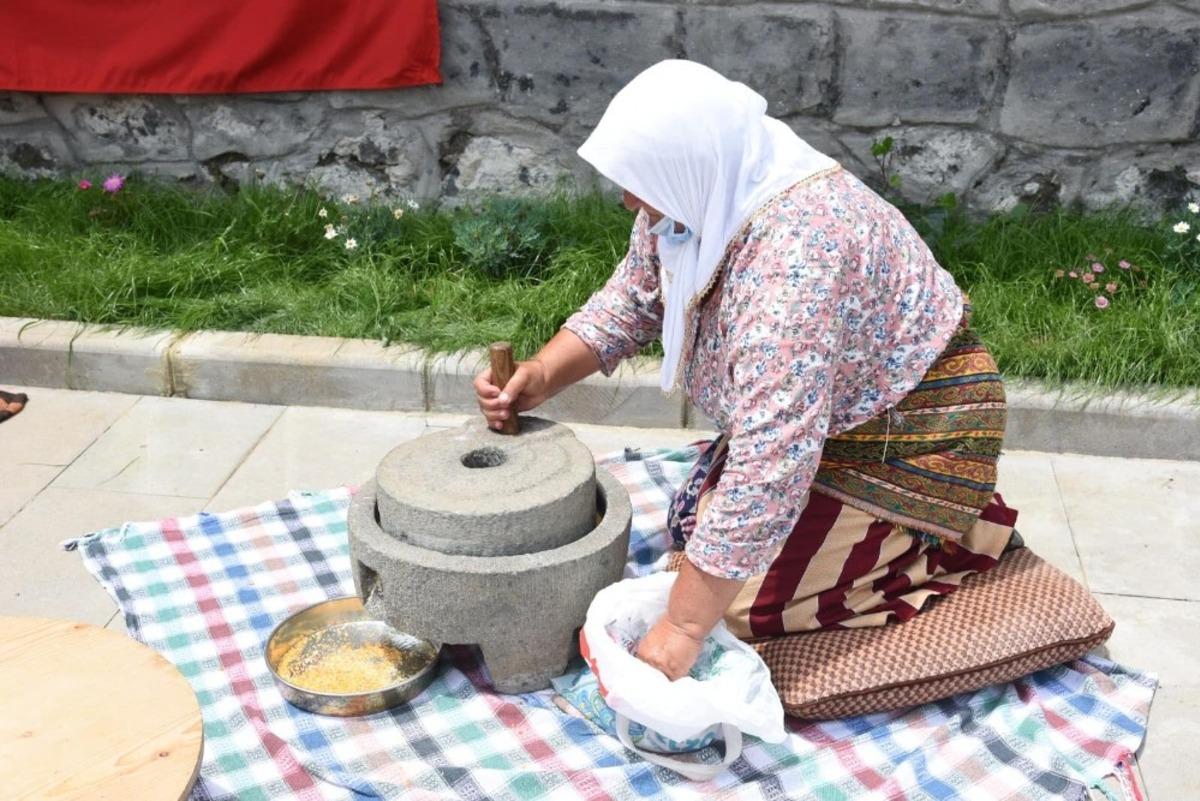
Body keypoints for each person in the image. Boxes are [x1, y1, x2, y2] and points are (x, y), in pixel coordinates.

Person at [473, 60, 1018, 681]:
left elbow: (774, 454)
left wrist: (682, 630)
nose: (628, 200)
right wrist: (542, 373)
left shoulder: (797, 256)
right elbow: (635, 299)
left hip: (909, 436)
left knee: (740, 608)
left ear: (688, 163)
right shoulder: (697, 195)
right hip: (828, 420)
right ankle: (852, 534)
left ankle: (940, 533)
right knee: (696, 539)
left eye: (636, 182)